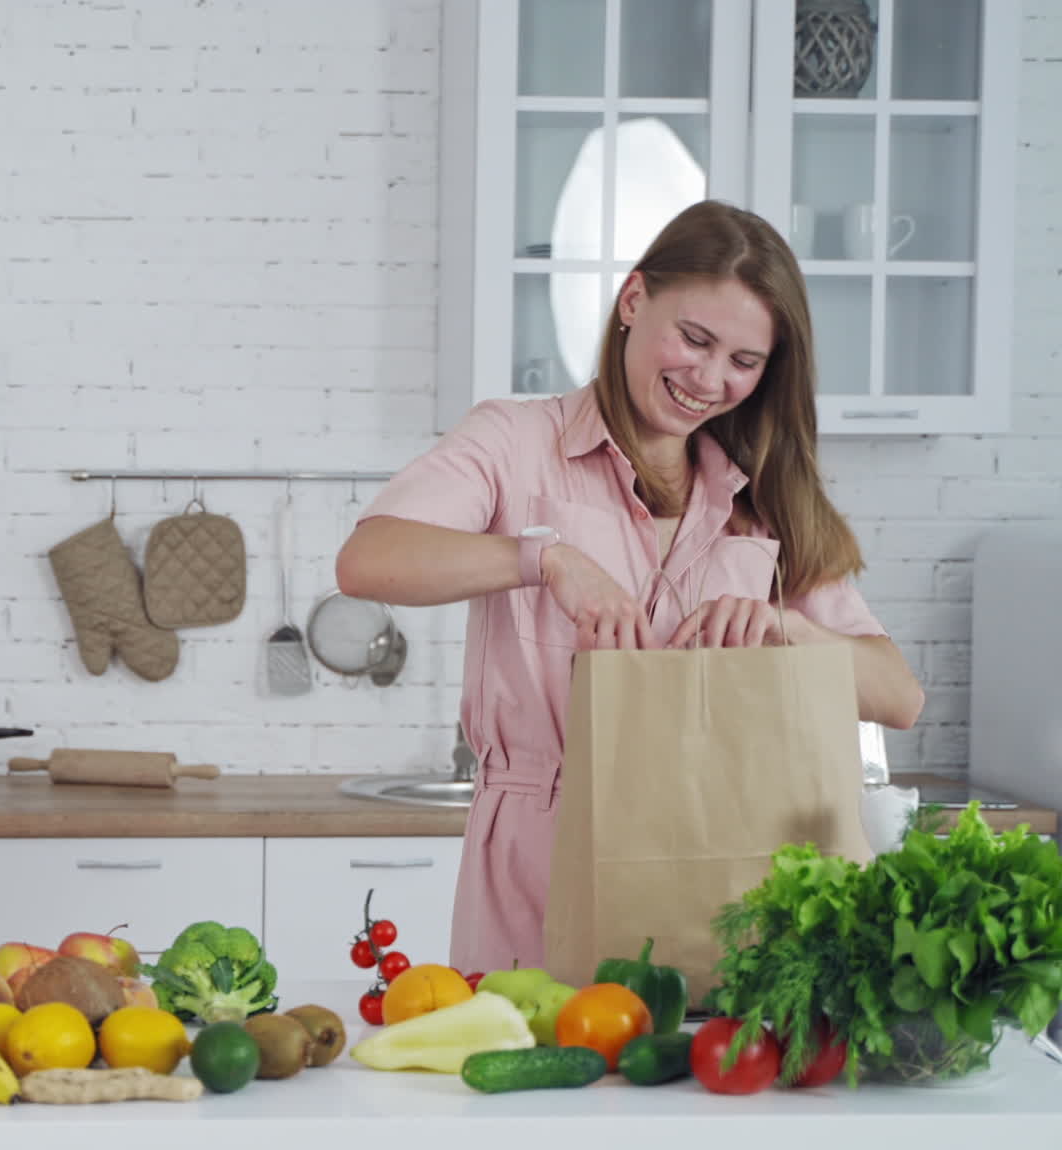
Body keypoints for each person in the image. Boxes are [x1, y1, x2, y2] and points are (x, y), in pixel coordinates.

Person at [335, 199, 925, 973]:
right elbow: (370, 559)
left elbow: (900, 698)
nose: (709, 379)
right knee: (541, 1074)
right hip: (538, 866)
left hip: (726, 869)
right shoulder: (515, 443)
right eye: (695, 338)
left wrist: (787, 629)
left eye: (744, 362)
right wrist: (543, 560)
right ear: (634, 300)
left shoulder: (764, 495)